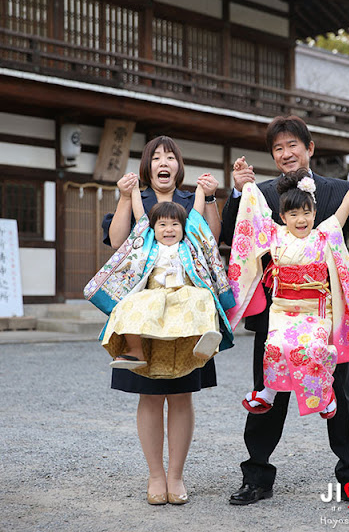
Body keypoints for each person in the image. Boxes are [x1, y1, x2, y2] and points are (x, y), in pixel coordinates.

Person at [221, 115, 349, 509]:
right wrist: (239, 193)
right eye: (277, 148)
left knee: (342, 396)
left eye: (293, 144)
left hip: (325, 315)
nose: (285, 153)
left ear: (309, 148)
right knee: (268, 392)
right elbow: (232, 235)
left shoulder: (340, 190)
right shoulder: (260, 193)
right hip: (277, 314)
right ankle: (256, 477)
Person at [101, 136, 224, 505]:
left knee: (182, 395)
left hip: (185, 315)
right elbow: (119, 241)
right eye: (156, 157)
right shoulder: (138, 199)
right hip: (144, 311)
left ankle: (176, 477)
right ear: (147, 167)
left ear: (178, 166)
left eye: (170, 156)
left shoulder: (190, 201)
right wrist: (124, 198)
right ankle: (156, 476)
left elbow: (211, 239)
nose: (163, 162)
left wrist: (212, 197)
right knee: (150, 396)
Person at [227, 163, 349, 421]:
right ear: (282, 217)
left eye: (306, 213)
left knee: (313, 349)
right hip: (282, 309)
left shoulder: (323, 235)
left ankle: (324, 394)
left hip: (316, 309)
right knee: (275, 347)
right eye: (293, 214)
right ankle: (268, 392)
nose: (300, 220)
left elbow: (344, 209)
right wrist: (246, 184)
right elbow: (255, 212)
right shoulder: (273, 234)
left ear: (315, 214)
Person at [101, 177, 231, 376]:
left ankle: (201, 342)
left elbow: (196, 214)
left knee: (203, 297)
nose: (169, 229)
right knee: (127, 304)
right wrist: (133, 191)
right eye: (162, 225)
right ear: (152, 228)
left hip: (183, 292)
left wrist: (200, 190)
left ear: (184, 228)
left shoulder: (188, 243)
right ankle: (136, 351)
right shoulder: (148, 243)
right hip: (155, 293)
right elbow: (140, 215)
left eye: (175, 225)